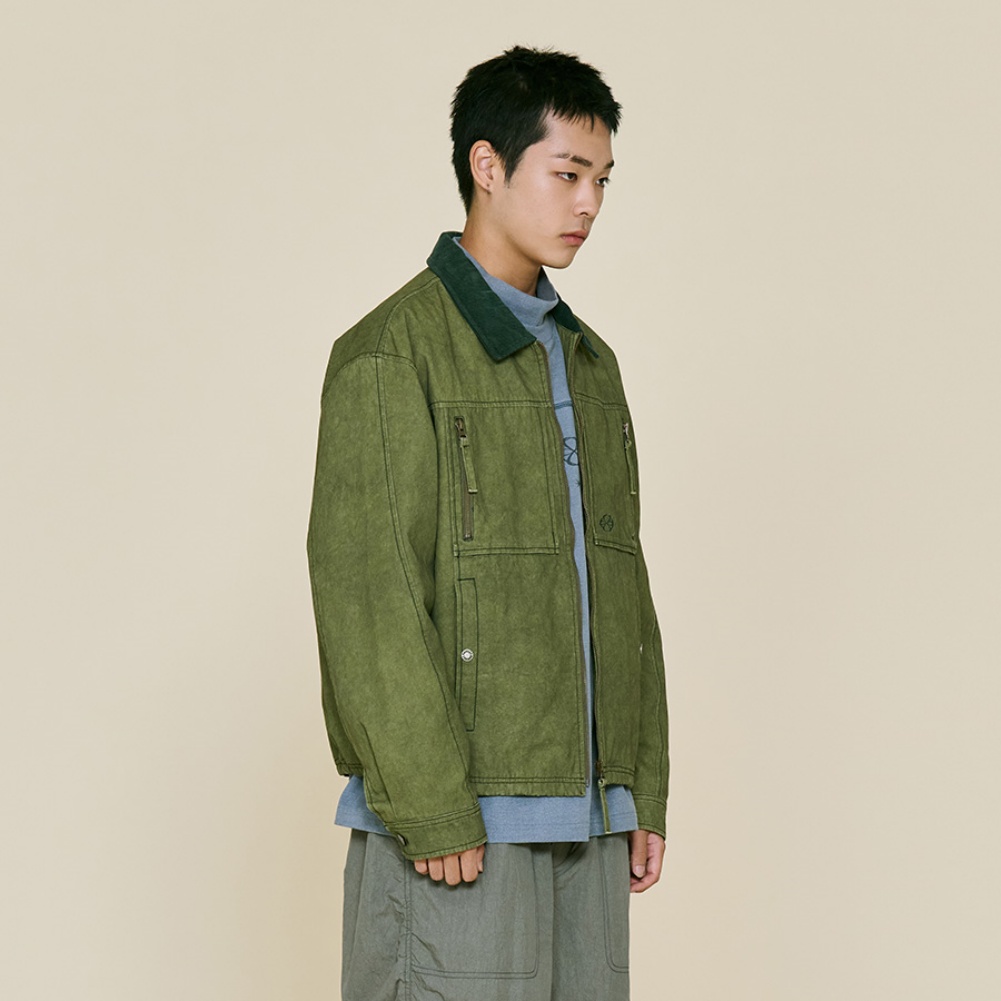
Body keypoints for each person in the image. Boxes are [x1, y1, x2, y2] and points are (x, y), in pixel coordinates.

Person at [307, 45, 669, 1001]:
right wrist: (429, 805)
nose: (588, 203)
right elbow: (369, 596)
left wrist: (639, 784)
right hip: (457, 828)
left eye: (601, 180)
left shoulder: (590, 365)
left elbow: (620, 585)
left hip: (589, 823)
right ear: (487, 165)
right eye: (567, 173)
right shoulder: (392, 354)